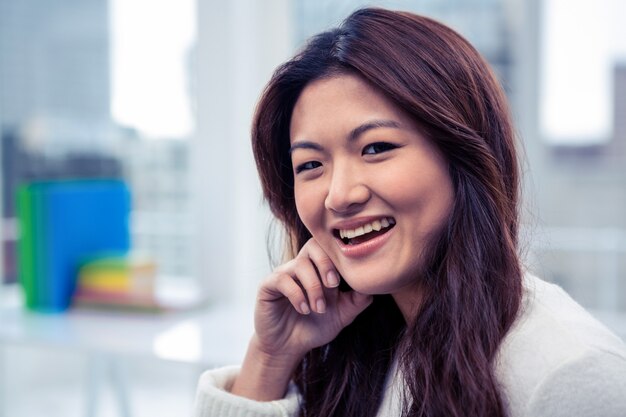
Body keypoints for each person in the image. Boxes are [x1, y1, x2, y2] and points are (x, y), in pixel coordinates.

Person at [193, 7, 626, 417]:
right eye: (310, 165)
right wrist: (271, 358)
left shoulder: (570, 372)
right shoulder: (373, 342)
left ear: (463, 158)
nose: (338, 195)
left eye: (376, 148)